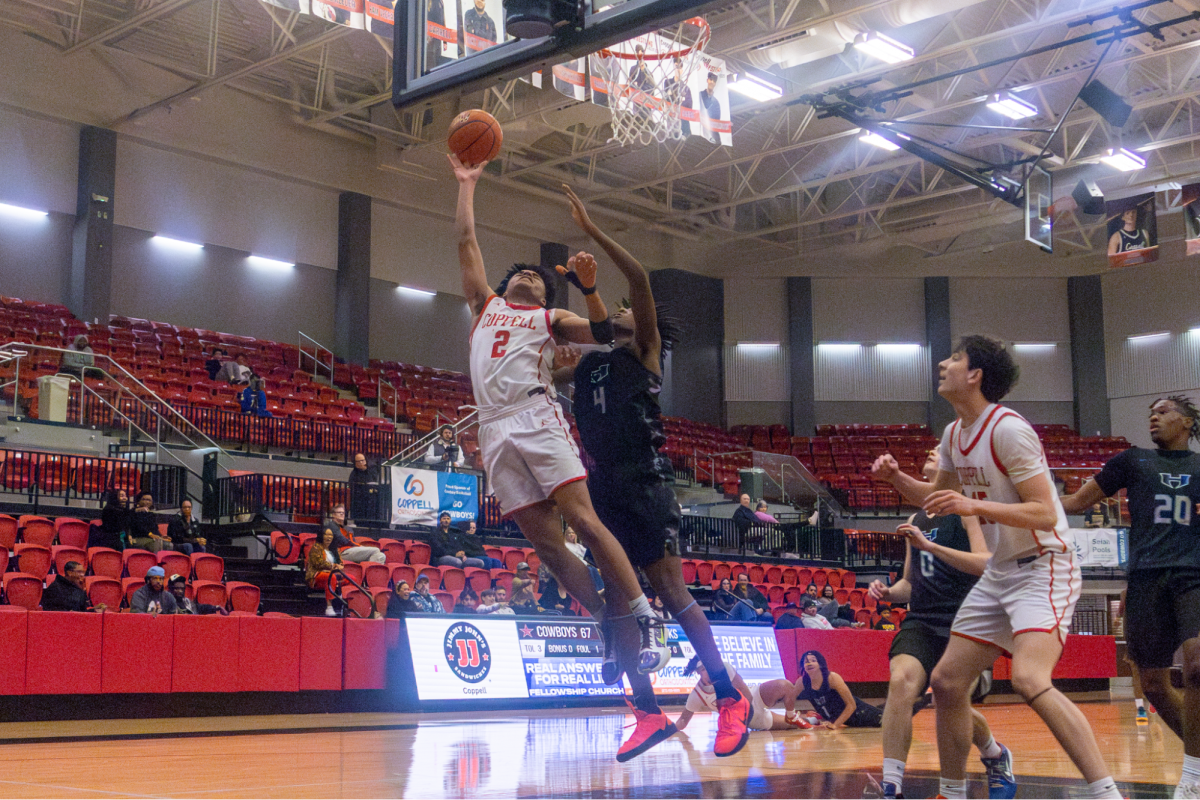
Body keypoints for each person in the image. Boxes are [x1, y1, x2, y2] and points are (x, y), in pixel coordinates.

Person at [552, 181, 756, 761]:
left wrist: (592, 231)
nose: (616, 309)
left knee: (668, 587)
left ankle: (727, 696)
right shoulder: (589, 367)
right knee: (619, 601)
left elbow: (639, 282)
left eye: (620, 311)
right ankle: (646, 712)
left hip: (644, 481)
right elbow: (547, 372)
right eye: (610, 311)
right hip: (601, 491)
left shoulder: (644, 354)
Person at [871, 334, 1123, 800]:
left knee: (1028, 678)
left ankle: (1107, 792)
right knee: (947, 681)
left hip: (1046, 565)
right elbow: (934, 500)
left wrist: (972, 502)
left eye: (954, 358)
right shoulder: (953, 434)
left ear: (975, 375)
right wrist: (896, 478)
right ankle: (953, 791)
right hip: (1003, 570)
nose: (943, 364)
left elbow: (1045, 513)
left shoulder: (1008, 429)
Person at [451, 155, 669, 682]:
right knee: (547, 545)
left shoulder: (549, 319)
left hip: (534, 413)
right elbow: (466, 242)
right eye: (521, 272)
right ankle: (605, 618)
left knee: (586, 524)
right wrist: (466, 185)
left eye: (540, 277)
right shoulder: (485, 305)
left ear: (547, 297)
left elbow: (598, 333)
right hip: (493, 425)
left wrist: (591, 290)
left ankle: (648, 622)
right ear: (504, 288)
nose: (529, 274)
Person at [1060, 395, 1200, 800]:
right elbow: (1074, 503)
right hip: (1144, 578)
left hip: (1193, 574)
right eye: (1150, 413)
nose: (1153, 417)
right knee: (1153, 684)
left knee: (1196, 667)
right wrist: (1024, 497)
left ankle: (1192, 776)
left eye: (1163, 412)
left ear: (1188, 422)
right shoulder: (1132, 460)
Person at [868, 445, 1014, 800]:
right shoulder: (917, 520)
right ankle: (892, 787)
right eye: (930, 451)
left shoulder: (965, 510)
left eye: (939, 452)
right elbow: (909, 583)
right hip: (920, 619)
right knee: (900, 683)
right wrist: (888, 593)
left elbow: (984, 562)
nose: (933, 453)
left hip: (962, 620)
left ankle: (994, 754)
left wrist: (931, 548)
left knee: (950, 701)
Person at [674, 656, 794, 734]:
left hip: (752, 700)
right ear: (698, 672)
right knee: (791, 726)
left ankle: (792, 714)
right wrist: (667, 732)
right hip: (750, 720)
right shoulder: (697, 694)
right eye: (704, 669)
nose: (710, 672)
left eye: (710, 668)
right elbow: (683, 720)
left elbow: (748, 696)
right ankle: (811, 718)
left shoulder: (724, 668)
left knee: (785, 685)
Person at [796, 650, 883, 729]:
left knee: (888, 721)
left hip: (862, 713)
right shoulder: (802, 682)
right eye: (806, 662)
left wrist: (835, 725)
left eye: (813, 660)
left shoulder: (832, 677)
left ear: (820, 663)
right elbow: (790, 698)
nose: (809, 664)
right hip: (850, 723)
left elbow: (851, 705)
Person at [305, 528, 346, 617]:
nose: (329, 537)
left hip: (332, 573)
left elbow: (341, 564)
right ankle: (329, 606)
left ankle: (344, 604)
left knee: (351, 579)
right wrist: (334, 566)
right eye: (326, 534)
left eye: (331, 535)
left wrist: (339, 566)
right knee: (332, 577)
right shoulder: (316, 547)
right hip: (316, 575)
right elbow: (319, 564)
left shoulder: (335, 549)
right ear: (321, 536)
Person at [661, 55, 693, 137]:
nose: (677, 69)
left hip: (682, 125)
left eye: (679, 67)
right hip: (671, 122)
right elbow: (665, 98)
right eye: (676, 66)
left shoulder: (686, 88)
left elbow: (689, 107)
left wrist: (680, 104)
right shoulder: (667, 82)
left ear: (682, 70)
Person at [348, 453, 381, 523]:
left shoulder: (372, 471)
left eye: (362, 460)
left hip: (372, 501)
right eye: (358, 461)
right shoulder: (354, 474)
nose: (361, 462)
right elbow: (351, 486)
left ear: (365, 461)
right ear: (355, 463)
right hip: (360, 502)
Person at [698, 71, 722, 144]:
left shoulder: (716, 102)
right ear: (707, 80)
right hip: (700, 131)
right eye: (711, 80)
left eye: (714, 81)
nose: (712, 82)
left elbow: (717, 119)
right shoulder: (700, 95)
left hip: (711, 134)